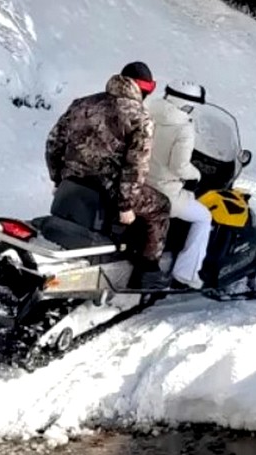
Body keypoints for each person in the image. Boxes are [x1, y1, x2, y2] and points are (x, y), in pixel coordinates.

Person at [45, 61, 172, 290]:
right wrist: (126, 206)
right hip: (108, 191)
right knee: (162, 205)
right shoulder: (140, 117)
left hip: (72, 184)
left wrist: (59, 179)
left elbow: (53, 144)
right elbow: (135, 166)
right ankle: (148, 269)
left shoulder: (82, 104)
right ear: (144, 89)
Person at [146, 82, 212, 291]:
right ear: (186, 104)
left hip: (140, 185)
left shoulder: (148, 111)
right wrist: (196, 175)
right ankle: (186, 273)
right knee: (203, 217)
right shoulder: (183, 127)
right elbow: (179, 165)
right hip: (164, 191)